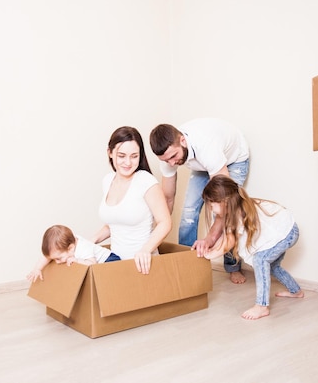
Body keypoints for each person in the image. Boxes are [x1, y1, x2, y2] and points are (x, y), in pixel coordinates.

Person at [149, 117, 250, 283]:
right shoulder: (169, 158)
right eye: (166, 160)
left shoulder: (206, 146)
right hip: (202, 164)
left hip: (234, 159)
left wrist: (209, 241)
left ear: (182, 140)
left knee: (229, 210)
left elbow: (223, 207)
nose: (172, 163)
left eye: (174, 156)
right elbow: (167, 199)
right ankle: (187, 266)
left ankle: (233, 267)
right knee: (188, 213)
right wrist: (155, 237)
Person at [198, 175, 304, 320]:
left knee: (260, 260)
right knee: (272, 266)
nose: (211, 209)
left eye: (212, 205)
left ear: (225, 202)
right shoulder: (234, 210)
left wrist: (210, 255)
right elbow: (224, 237)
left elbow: (228, 242)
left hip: (287, 232)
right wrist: (211, 249)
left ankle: (262, 306)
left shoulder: (239, 213)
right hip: (286, 231)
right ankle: (296, 291)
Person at [92, 126, 172, 275]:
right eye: (121, 155)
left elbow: (165, 222)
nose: (128, 162)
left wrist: (145, 250)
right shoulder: (107, 180)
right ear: (110, 153)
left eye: (134, 156)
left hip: (143, 264)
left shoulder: (145, 181)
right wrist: (91, 241)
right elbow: (114, 223)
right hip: (116, 264)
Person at [26, 224, 121, 283]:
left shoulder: (83, 248)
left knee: (106, 279)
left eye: (58, 258)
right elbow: (46, 257)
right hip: (94, 261)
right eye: (54, 259)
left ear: (70, 248)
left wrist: (77, 260)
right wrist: (37, 269)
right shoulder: (64, 248)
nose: (57, 262)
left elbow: (93, 264)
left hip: (109, 260)